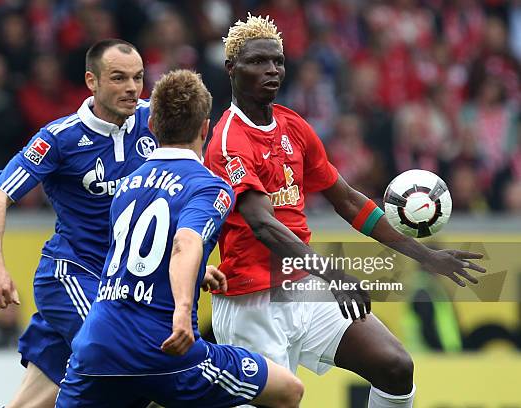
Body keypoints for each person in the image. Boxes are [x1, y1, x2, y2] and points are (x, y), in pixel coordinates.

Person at [204, 15, 486, 408]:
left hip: (303, 286)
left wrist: (426, 255)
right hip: (253, 302)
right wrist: (333, 273)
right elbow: (263, 224)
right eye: (258, 62)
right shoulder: (228, 140)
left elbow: (348, 200)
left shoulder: (293, 126)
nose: (271, 70)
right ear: (232, 69)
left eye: (278, 61)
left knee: (395, 368)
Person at [56, 69, 304, 408]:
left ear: (152, 127)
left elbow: (137, 257)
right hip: (164, 345)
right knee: (289, 390)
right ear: (205, 128)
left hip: (98, 345)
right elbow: (185, 243)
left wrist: (199, 272)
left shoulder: (126, 185)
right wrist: (182, 311)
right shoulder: (209, 186)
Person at [0, 39, 157, 408]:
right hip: (73, 274)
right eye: (119, 78)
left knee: (30, 401)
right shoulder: (60, 138)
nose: (132, 88)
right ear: (92, 81)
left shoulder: (154, 121)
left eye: (137, 78)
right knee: (126, 358)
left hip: (125, 282)